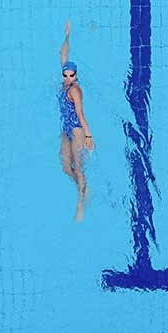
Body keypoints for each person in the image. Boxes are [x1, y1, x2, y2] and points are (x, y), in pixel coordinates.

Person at [58, 20, 94, 222]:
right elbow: (63, 55)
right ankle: (83, 188)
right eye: (65, 75)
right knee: (66, 167)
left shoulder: (74, 90)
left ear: (76, 75)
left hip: (78, 130)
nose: (68, 78)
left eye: (71, 75)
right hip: (66, 129)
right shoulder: (65, 82)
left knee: (78, 168)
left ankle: (80, 206)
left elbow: (81, 115)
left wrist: (88, 136)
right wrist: (68, 36)